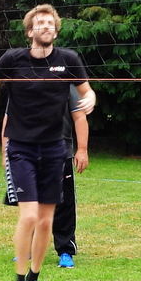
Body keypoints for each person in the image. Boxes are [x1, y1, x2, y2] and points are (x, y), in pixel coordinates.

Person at [0, 4, 93, 281]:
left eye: (50, 22)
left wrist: (91, 97)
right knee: (28, 216)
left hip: (54, 149)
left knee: (45, 221)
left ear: (56, 29)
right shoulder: (13, 59)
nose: (46, 26)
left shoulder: (68, 60)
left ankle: (33, 279)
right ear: (30, 31)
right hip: (22, 148)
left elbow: (86, 92)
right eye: (40, 23)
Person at [52, 98, 89, 268]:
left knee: (64, 204)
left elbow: (79, 116)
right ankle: (28, 247)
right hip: (32, 151)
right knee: (32, 202)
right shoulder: (25, 83)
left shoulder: (67, 84)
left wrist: (82, 149)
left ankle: (65, 250)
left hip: (61, 151)